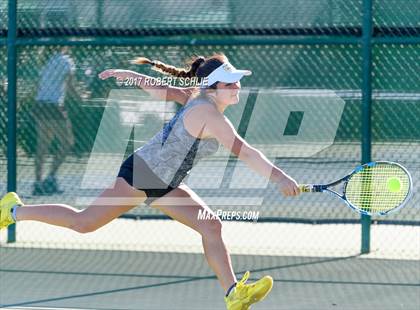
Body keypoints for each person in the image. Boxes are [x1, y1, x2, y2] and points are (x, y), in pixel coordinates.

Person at [0, 53, 300, 309]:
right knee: (84, 223)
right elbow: (246, 153)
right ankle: (13, 210)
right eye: (230, 82)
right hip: (142, 173)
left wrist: (131, 75)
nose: (237, 87)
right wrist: (281, 177)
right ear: (212, 86)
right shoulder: (210, 114)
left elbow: (162, 89)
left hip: (167, 182)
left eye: (237, 80)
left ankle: (233, 295)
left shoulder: (201, 99)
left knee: (211, 225)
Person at [32, 46, 76, 195]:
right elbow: (70, 87)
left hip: (40, 105)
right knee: (67, 143)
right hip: (54, 106)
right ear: (63, 46)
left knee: (42, 145)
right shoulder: (66, 61)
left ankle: (38, 183)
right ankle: (50, 178)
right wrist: (81, 97)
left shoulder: (45, 59)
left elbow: (38, 85)